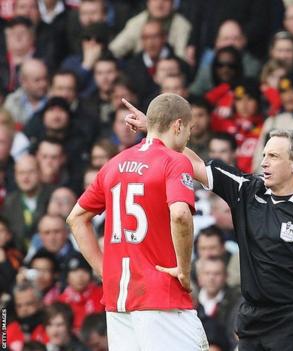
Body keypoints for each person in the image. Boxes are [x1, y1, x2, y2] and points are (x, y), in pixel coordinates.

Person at [124, 101, 293, 350]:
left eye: (274, 156)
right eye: (265, 154)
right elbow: (195, 165)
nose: (264, 161)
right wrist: (154, 130)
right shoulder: (246, 190)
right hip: (252, 319)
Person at [66, 93, 209, 351]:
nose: (189, 136)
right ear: (178, 125)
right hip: (162, 298)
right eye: (189, 128)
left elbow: (76, 218)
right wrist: (184, 270)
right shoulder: (175, 162)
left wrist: (103, 269)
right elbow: (179, 214)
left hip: (118, 301)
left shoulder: (114, 163)